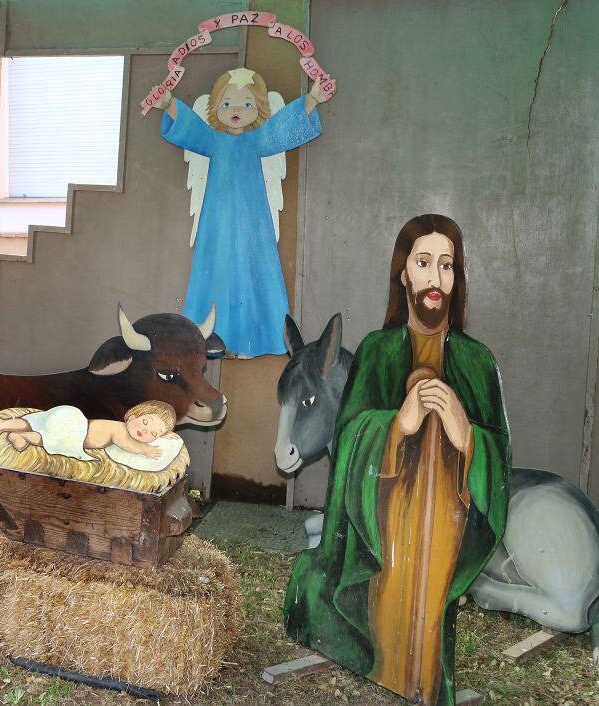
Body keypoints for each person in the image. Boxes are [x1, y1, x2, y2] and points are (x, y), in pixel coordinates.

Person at [283, 215, 511, 705]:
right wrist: (396, 427)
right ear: (402, 274)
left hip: (446, 530)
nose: (435, 278)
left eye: (446, 266)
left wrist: (466, 434)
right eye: (423, 263)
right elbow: (346, 441)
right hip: (384, 531)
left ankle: (427, 673)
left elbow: (499, 455)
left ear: (457, 278)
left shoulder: (479, 362)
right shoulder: (376, 349)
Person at [151, 70, 331, 357]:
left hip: (252, 224)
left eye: (247, 104)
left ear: (259, 107)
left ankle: (255, 340)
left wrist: (311, 100)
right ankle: (210, 340)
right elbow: (192, 130)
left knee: (254, 273)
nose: (236, 110)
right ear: (215, 107)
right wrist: (170, 103)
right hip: (217, 225)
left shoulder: (258, 140)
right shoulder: (212, 141)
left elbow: (281, 131)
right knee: (216, 273)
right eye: (227, 103)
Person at [0, 400, 177, 460]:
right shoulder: (120, 430)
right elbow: (128, 444)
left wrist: (167, 435)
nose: (145, 432)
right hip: (76, 428)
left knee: (38, 421)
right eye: (145, 422)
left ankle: (7, 427)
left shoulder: (121, 427)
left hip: (69, 416)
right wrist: (146, 450)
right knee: (50, 437)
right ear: (133, 415)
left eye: (154, 433)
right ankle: (18, 433)